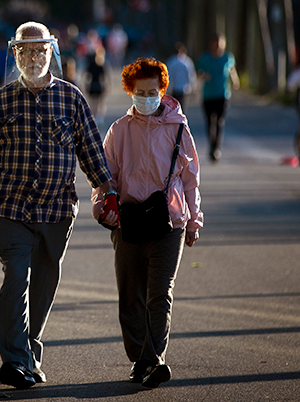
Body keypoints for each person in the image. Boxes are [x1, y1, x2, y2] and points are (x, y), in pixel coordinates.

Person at [0, 21, 116, 390]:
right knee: (17, 276)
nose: (33, 57)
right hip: (10, 209)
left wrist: (108, 192)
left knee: (44, 283)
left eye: (40, 50)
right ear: (15, 53)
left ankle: (30, 352)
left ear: (51, 52)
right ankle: (16, 361)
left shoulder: (72, 98)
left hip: (56, 210)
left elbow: (92, 153)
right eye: (26, 51)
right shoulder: (1, 101)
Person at [92, 57, 203, 389]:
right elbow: (104, 176)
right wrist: (102, 208)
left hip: (170, 221)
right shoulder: (118, 130)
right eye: (140, 91)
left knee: (160, 294)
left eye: (152, 91)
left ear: (162, 90)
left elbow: (190, 179)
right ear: (130, 92)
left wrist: (195, 219)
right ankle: (140, 359)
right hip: (128, 222)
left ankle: (154, 360)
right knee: (131, 296)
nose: (146, 97)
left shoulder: (179, 128)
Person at [197, 33, 239, 162]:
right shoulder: (205, 58)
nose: (218, 46)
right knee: (210, 122)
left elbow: (232, 70)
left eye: (221, 43)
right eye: (216, 43)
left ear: (224, 43)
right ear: (212, 44)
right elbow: (198, 72)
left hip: (223, 94)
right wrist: (203, 76)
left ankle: (216, 148)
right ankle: (211, 145)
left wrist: (235, 81)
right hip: (208, 95)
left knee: (220, 121)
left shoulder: (228, 57)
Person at [84, 47, 112, 126]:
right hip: (98, 85)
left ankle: (95, 118)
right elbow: (106, 77)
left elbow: (86, 76)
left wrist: (86, 85)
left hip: (93, 85)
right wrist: (107, 86)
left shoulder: (91, 65)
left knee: (94, 103)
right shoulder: (101, 65)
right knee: (99, 103)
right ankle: (99, 118)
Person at [166, 42, 196, 111]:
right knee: (182, 107)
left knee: (173, 107)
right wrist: (192, 86)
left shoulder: (171, 61)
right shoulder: (187, 61)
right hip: (184, 88)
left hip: (174, 88)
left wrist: (168, 88)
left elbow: (169, 75)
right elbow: (190, 75)